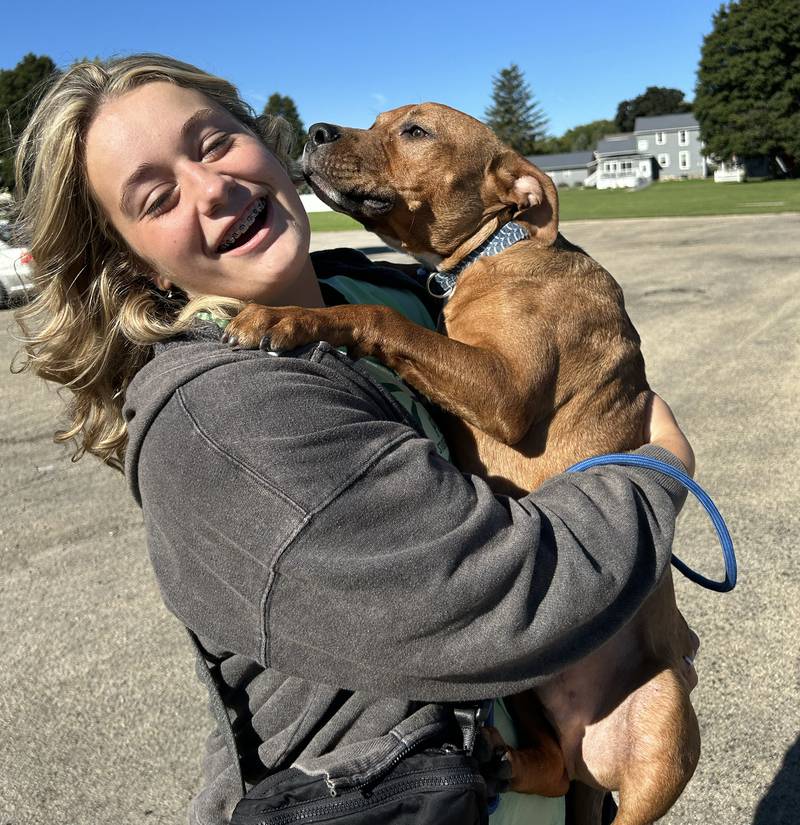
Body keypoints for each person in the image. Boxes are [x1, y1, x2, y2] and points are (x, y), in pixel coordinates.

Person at [14, 54, 696, 825]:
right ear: (137, 267)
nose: (213, 187)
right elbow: (494, 601)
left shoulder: (389, 288)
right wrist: (657, 474)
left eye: (214, 144)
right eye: (159, 195)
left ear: (264, 146)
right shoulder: (222, 418)